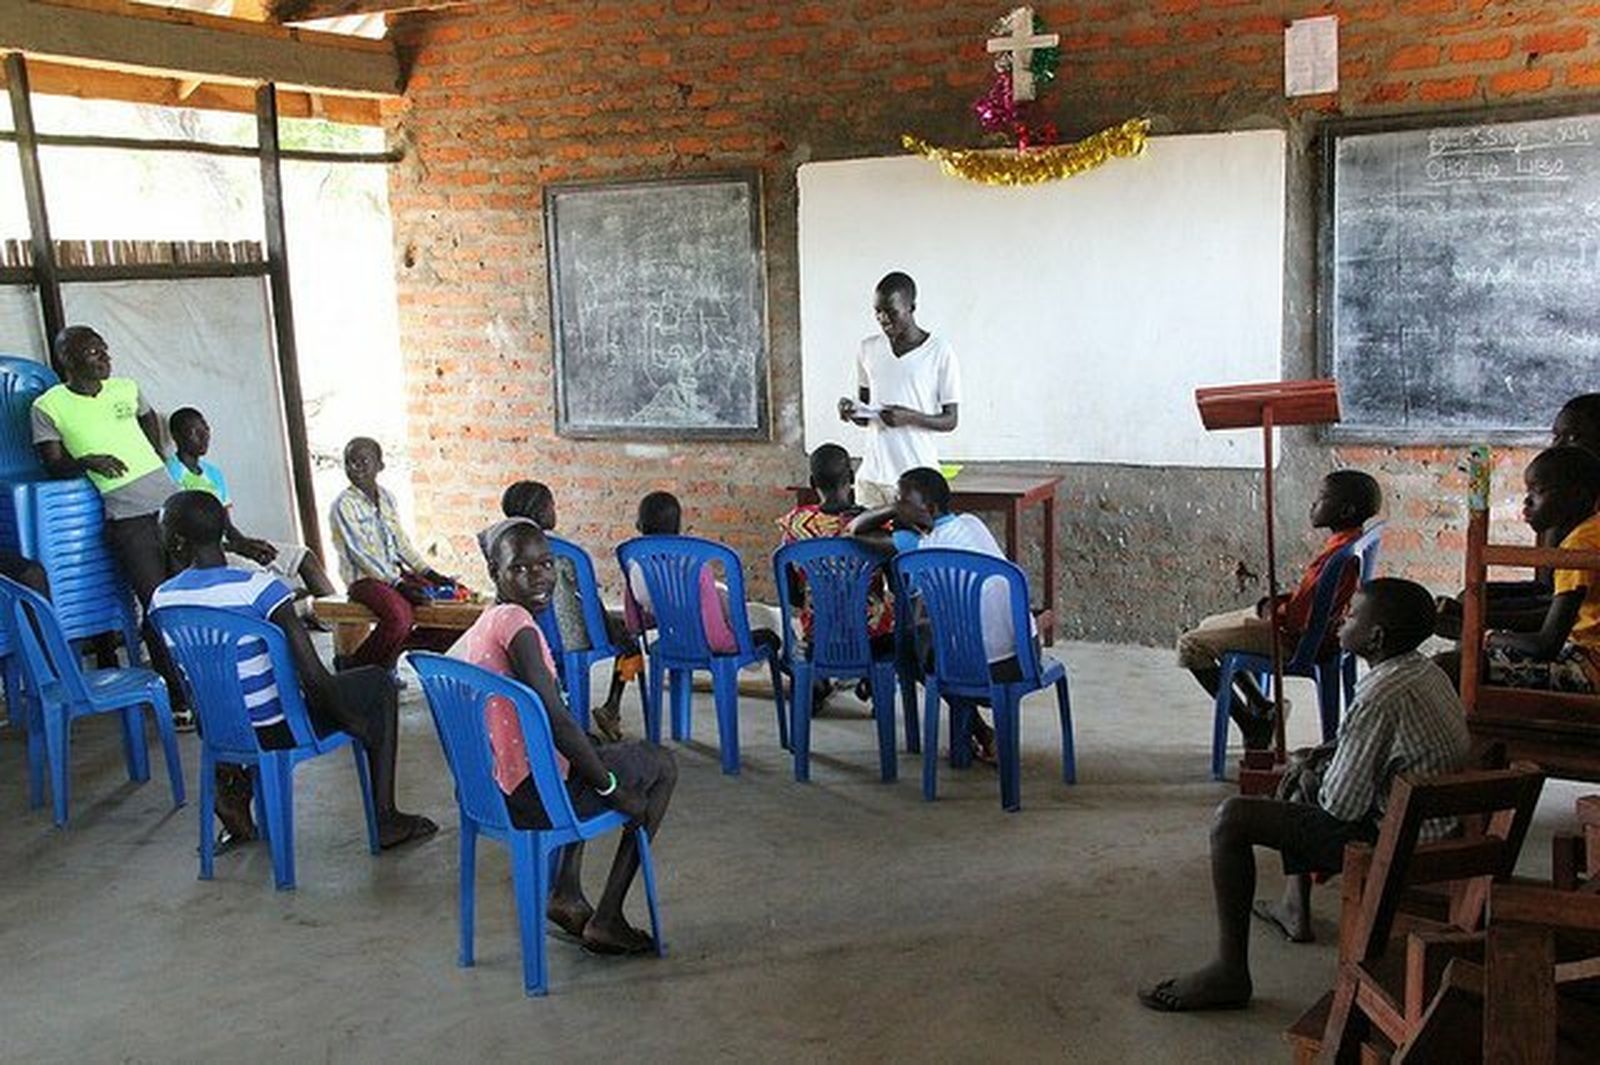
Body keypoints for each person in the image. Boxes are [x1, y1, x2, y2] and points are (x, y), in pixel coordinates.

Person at [1139, 578, 1470, 1012]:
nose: (1340, 620)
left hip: (1401, 840)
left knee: (1233, 819)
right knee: (1307, 770)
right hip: (1432, 819)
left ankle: (1230, 972)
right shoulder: (1425, 670)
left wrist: (1310, 770)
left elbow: (1341, 806)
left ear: (1375, 637)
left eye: (1351, 614)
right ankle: (1293, 906)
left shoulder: (1380, 695)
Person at [152, 490, 437, 849]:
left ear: (177, 543)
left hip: (216, 730)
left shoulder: (162, 599)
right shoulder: (261, 590)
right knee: (377, 684)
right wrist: (355, 722)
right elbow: (314, 679)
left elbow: (188, 678)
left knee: (227, 691)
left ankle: (231, 787)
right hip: (277, 730)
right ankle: (385, 818)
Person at [451, 520, 675, 955]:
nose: (539, 576)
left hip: (499, 788)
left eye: (546, 564)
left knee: (589, 747)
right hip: (537, 798)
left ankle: (565, 892)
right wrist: (612, 790)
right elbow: (556, 720)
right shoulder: (518, 625)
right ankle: (608, 918)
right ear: (495, 573)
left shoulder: (486, 623)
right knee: (661, 765)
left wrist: (591, 753)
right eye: (521, 568)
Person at [30, 325, 191, 726]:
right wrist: (87, 461)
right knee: (156, 603)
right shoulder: (48, 406)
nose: (105, 358)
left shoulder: (126, 388)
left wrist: (153, 450)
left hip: (171, 504)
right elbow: (51, 463)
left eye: (105, 350)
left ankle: (202, 684)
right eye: (93, 353)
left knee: (190, 597)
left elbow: (148, 416)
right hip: (128, 515)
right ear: (68, 360)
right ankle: (178, 696)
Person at [1176, 470, 1382, 749]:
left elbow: (1300, 621)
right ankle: (1262, 705)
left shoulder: (1338, 559)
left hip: (1296, 641)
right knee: (1208, 625)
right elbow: (1309, 603)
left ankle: (1252, 725)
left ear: (1345, 511)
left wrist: (1273, 612)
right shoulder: (1349, 541)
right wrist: (1274, 605)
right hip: (1312, 631)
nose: (1313, 505)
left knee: (1190, 645)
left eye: (1321, 499)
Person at [849, 465, 1035, 762]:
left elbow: (856, 529)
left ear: (930, 509)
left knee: (910, 653)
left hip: (979, 670)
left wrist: (889, 509)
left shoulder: (918, 545)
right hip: (1024, 659)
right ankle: (979, 737)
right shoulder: (973, 523)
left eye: (903, 501)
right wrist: (903, 507)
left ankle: (980, 734)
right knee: (943, 646)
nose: (898, 505)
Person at [1437, 445, 1600, 694]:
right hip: (1585, 650)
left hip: (1591, 667)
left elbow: (1545, 645)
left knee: (1449, 666)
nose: (1527, 501)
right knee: (1469, 643)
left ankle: (1471, 731)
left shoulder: (1578, 547)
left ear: (1577, 496)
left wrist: (1478, 632)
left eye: (1538, 491)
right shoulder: (1591, 528)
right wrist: (1475, 619)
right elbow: (1555, 607)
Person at [1436, 393, 1600, 639]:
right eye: (1556, 437)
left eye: (1573, 438)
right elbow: (1548, 587)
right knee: (1470, 598)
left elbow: (1563, 612)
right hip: (1566, 612)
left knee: (1469, 613)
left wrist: (1477, 619)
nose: (1557, 447)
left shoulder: (1579, 512)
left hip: (1581, 635)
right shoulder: (1567, 506)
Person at [494, 480, 635, 742]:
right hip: (569, 640)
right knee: (630, 641)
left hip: (525, 635)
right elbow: (588, 598)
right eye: (552, 505)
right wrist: (612, 626)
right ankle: (611, 707)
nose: (554, 511)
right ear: (541, 511)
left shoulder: (501, 546)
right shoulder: (564, 552)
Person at [166, 406, 335, 602]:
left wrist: (247, 543)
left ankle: (334, 618)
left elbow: (227, 525)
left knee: (304, 557)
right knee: (260, 576)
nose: (204, 436)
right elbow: (187, 541)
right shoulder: (171, 473)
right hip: (205, 557)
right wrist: (238, 548)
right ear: (176, 436)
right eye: (195, 431)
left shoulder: (213, 473)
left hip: (229, 546)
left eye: (206, 428)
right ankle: (298, 609)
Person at [328, 436, 458, 671]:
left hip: (393, 576)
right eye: (349, 462)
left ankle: (393, 653)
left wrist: (430, 572)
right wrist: (397, 584)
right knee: (400, 618)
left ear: (380, 465)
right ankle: (355, 666)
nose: (355, 468)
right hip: (364, 580)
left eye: (363, 461)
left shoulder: (387, 498)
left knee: (446, 605)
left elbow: (401, 542)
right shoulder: (343, 505)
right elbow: (361, 554)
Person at [836, 272, 960, 508]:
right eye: (877, 312)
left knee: (912, 543)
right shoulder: (868, 349)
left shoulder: (939, 351)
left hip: (916, 479)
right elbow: (865, 415)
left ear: (911, 307)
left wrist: (909, 417)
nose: (883, 319)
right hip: (872, 477)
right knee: (866, 543)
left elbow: (951, 420)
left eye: (891, 312)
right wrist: (851, 411)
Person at [624, 490, 781, 658]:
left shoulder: (633, 562)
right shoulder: (694, 564)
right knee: (772, 637)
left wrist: (637, 630)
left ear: (639, 524)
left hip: (671, 639)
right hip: (710, 640)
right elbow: (717, 639)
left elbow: (634, 621)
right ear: (678, 526)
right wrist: (732, 643)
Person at [776, 442, 893, 650]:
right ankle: (872, 681)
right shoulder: (875, 524)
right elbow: (896, 585)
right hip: (873, 637)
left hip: (818, 634)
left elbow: (792, 596)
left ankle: (817, 681)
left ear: (812, 482)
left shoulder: (794, 525)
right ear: (851, 476)